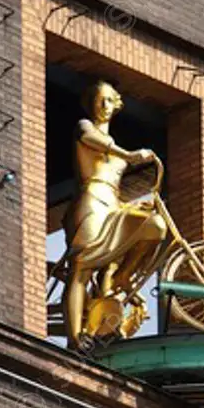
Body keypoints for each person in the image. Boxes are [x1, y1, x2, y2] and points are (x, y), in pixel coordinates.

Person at [62, 80, 167, 349]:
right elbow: (91, 139)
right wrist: (129, 155)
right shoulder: (84, 127)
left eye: (110, 100)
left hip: (112, 202)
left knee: (155, 225)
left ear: (117, 104)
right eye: (100, 100)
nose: (104, 106)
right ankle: (76, 338)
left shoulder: (115, 149)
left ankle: (124, 277)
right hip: (91, 200)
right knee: (82, 267)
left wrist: (131, 208)